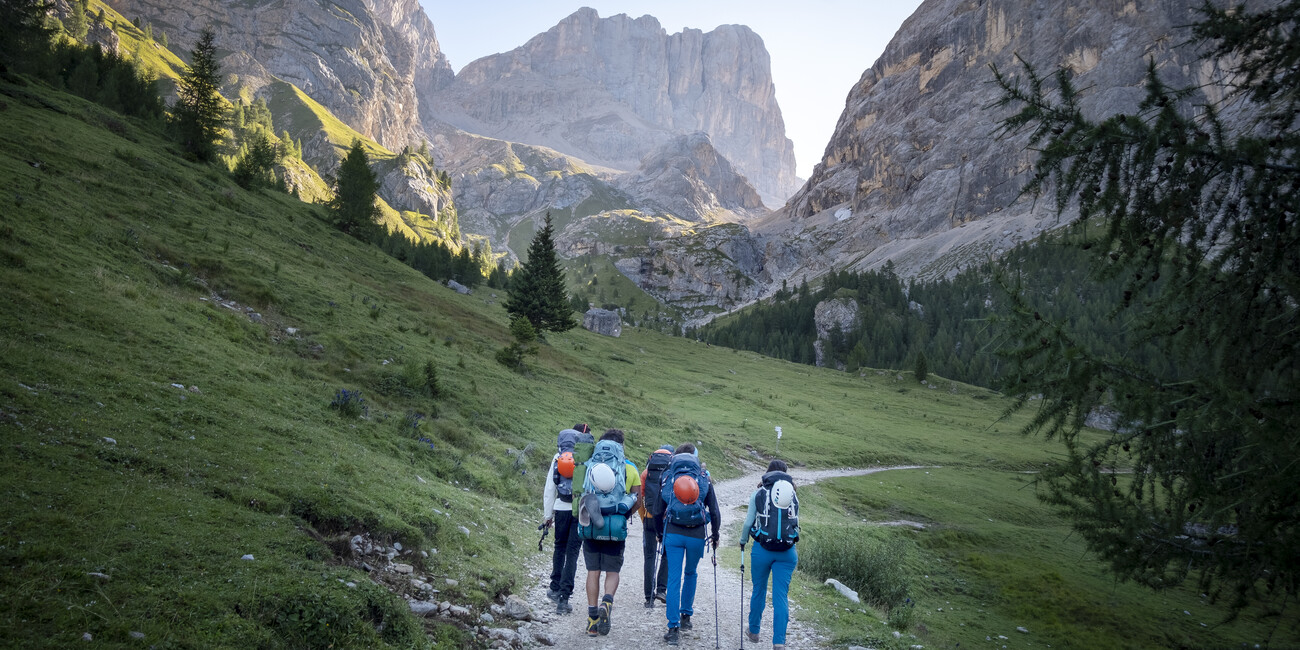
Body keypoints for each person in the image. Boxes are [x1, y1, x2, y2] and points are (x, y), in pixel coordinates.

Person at [656, 443, 720, 646]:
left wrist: (659, 533)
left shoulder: (668, 477)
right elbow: (714, 511)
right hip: (696, 534)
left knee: (673, 578)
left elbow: (657, 510)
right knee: (691, 573)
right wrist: (715, 534)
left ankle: (672, 628)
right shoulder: (703, 478)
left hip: (673, 533)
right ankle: (686, 616)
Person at [578, 428, 640, 637]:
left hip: (591, 525)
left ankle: (592, 620)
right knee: (612, 571)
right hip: (614, 526)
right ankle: (607, 602)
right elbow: (638, 499)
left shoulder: (589, 464)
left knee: (593, 571)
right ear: (621, 446)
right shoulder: (629, 467)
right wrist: (621, 516)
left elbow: (580, 493)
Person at [741, 460, 800, 650]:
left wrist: (743, 540)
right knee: (780, 596)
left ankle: (754, 631)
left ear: (768, 473)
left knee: (759, 590)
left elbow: (748, 523)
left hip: (762, 550)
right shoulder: (793, 494)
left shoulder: (759, 493)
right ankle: (779, 642)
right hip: (787, 552)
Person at [541, 423, 592, 614]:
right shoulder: (586, 457)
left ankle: (554, 587)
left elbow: (550, 488)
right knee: (572, 552)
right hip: (580, 510)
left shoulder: (558, 457)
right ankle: (564, 598)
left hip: (561, 508)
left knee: (559, 547)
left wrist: (548, 516)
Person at [640, 445, 674, 607]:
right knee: (666, 555)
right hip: (668, 520)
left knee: (649, 556)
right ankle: (661, 589)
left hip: (650, 518)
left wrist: (644, 518)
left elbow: (640, 498)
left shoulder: (646, 473)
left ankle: (649, 596)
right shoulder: (673, 472)